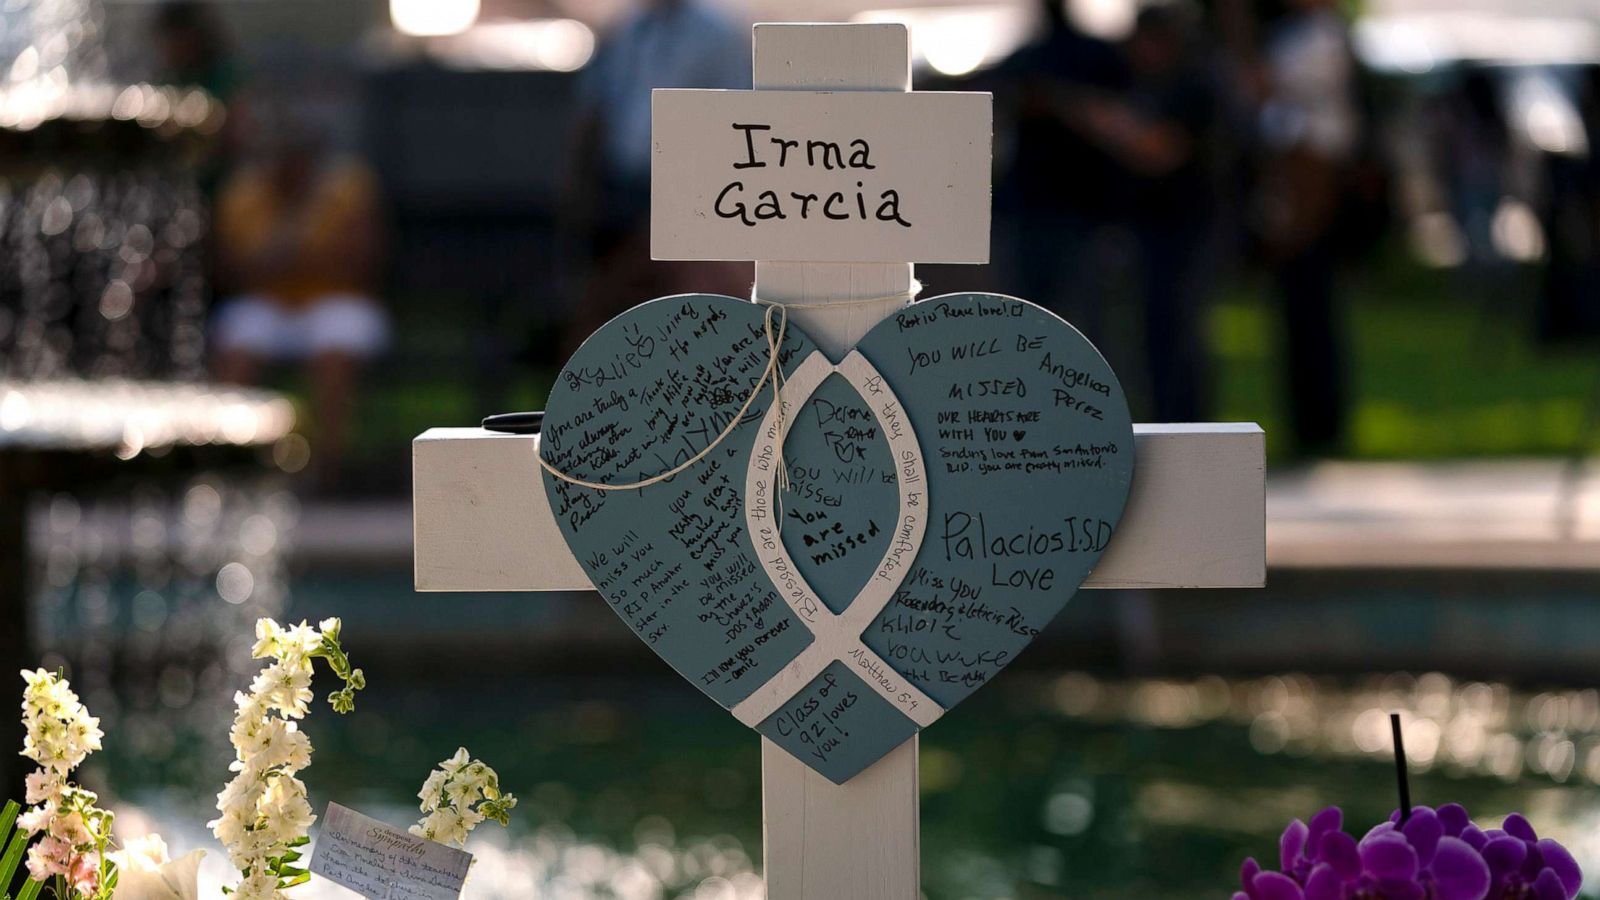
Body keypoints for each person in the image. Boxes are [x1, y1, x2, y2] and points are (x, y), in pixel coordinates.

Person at [562, 0, 750, 358]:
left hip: (684, 194)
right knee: (599, 307)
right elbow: (593, 114)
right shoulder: (625, 31)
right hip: (619, 191)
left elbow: (730, 128)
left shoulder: (719, 34)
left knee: (670, 299)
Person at [210, 114, 387, 487]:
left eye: (299, 156)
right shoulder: (242, 194)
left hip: (337, 301)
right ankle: (235, 466)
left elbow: (362, 263)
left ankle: (327, 470)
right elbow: (230, 271)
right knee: (238, 343)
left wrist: (287, 260)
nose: (291, 165)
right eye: (283, 155)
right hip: (266, 304)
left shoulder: (348, 189)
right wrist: (302, 258)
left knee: (334, 348)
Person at [1077, 6, 1219, 422]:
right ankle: (1166, 419)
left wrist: (1101, 120)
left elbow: (1161, 149)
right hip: (1148, 229)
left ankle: (1186, 422)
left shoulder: (1191, 87)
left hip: (1185, 229)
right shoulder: (1144, 84)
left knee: (1177, 334)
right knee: (1152, 336)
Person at [1255, 0, 1362, 454]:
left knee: (1313, 310)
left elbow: (1279, 96)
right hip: (1300, 177)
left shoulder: (1320, 36)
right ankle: (1310, 423)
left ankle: (1322, 424)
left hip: (1313, 176)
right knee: (1300, 313)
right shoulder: (1296, 33)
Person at [992, 0, 1129, 337]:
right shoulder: (1031, 59)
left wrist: (1060, 102)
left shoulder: (1086, 57)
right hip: (1038, 207)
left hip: (1080, 208)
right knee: (1033, 319)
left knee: (1080, 321)